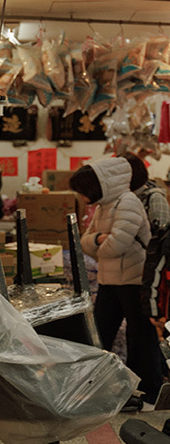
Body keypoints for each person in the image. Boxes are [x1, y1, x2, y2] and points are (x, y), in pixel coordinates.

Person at [69, 157, 165, 407]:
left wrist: (99, 241)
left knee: (140, 337)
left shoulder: (128, 202)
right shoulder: (104, 206)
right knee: (99, 333)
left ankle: (149, 392)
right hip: (110, 279)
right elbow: (85, 241)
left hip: (134, 280)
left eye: (83, 190)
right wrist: (101, 239)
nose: (81, 195)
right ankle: (107, 386)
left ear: (99, 185)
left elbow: (116, 246)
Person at [125, 152, 170, 323]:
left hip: (144, 267)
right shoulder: (121, 200)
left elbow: (160, 240)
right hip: (141, 272)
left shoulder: (154, 197)